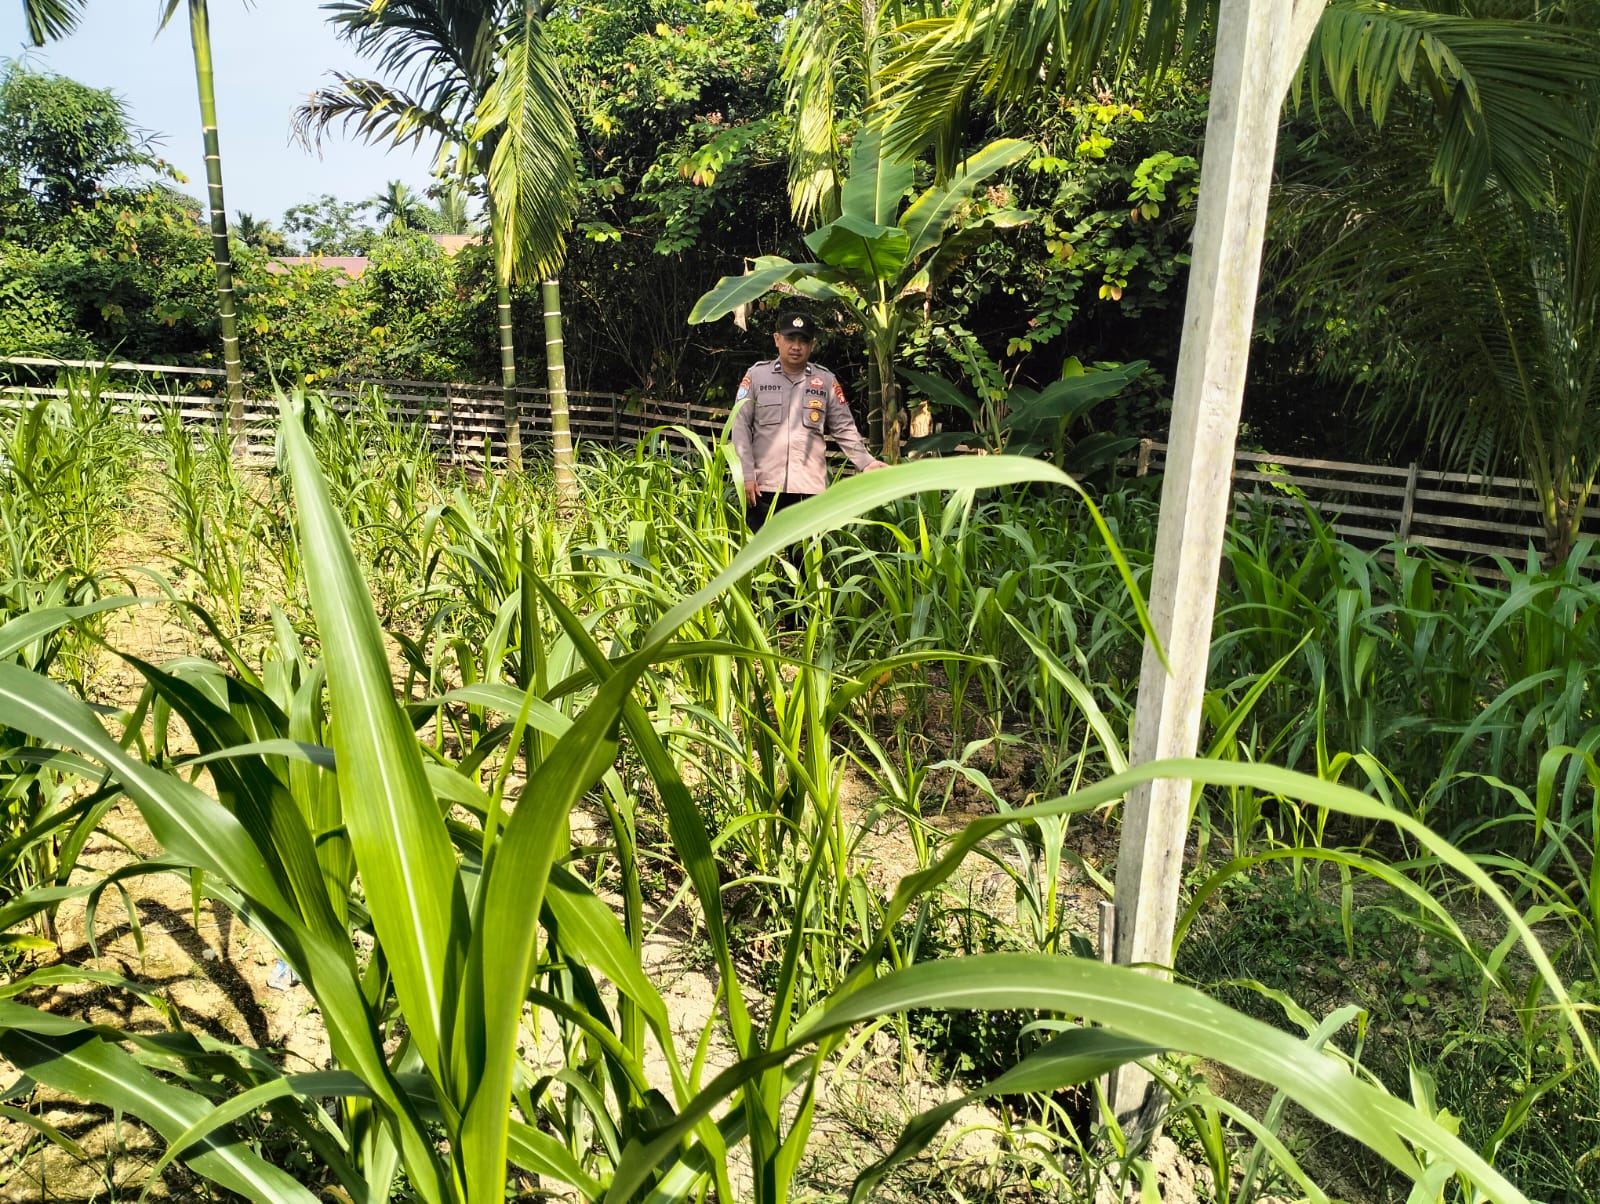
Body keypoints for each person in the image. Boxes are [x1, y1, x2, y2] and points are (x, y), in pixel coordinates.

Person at [729, 310, 886, 534]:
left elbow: (844, 427)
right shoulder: (756, 377)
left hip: (808, 490)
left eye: (803, 340)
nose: (796, 346)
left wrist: (866, 462)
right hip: (763, 487)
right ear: (777, 340)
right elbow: (740, 426)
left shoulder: (825, 381)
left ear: (812, 345)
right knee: (761, 561)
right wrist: (746, 474)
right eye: (790, 339)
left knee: (804, 563)